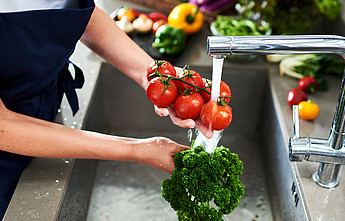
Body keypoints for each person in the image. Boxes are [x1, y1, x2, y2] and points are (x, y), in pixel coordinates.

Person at [0, 0, 212, 218]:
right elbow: (3, 126)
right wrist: (136, 149)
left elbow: (78, 13)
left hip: (43, 108)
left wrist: (151, 75)